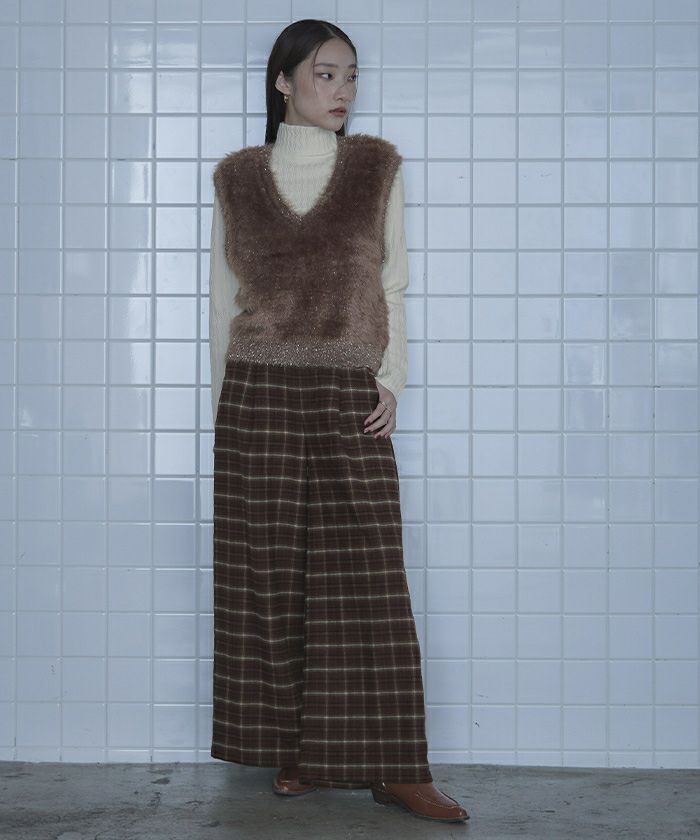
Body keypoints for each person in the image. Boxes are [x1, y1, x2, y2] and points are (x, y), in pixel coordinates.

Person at [207, 19, 469, 824]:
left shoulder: (375, 168)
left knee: (368, 577)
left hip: (348, 389)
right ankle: (297, 751)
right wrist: (224, 408)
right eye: (327, 74)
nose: (344, 90)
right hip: (257, 392)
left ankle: (396, 766)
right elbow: (222, 302)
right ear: (284, 81)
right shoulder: (237, 178)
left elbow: (393, 285)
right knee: (270, 575)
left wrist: (389, 380)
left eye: (351, 75)